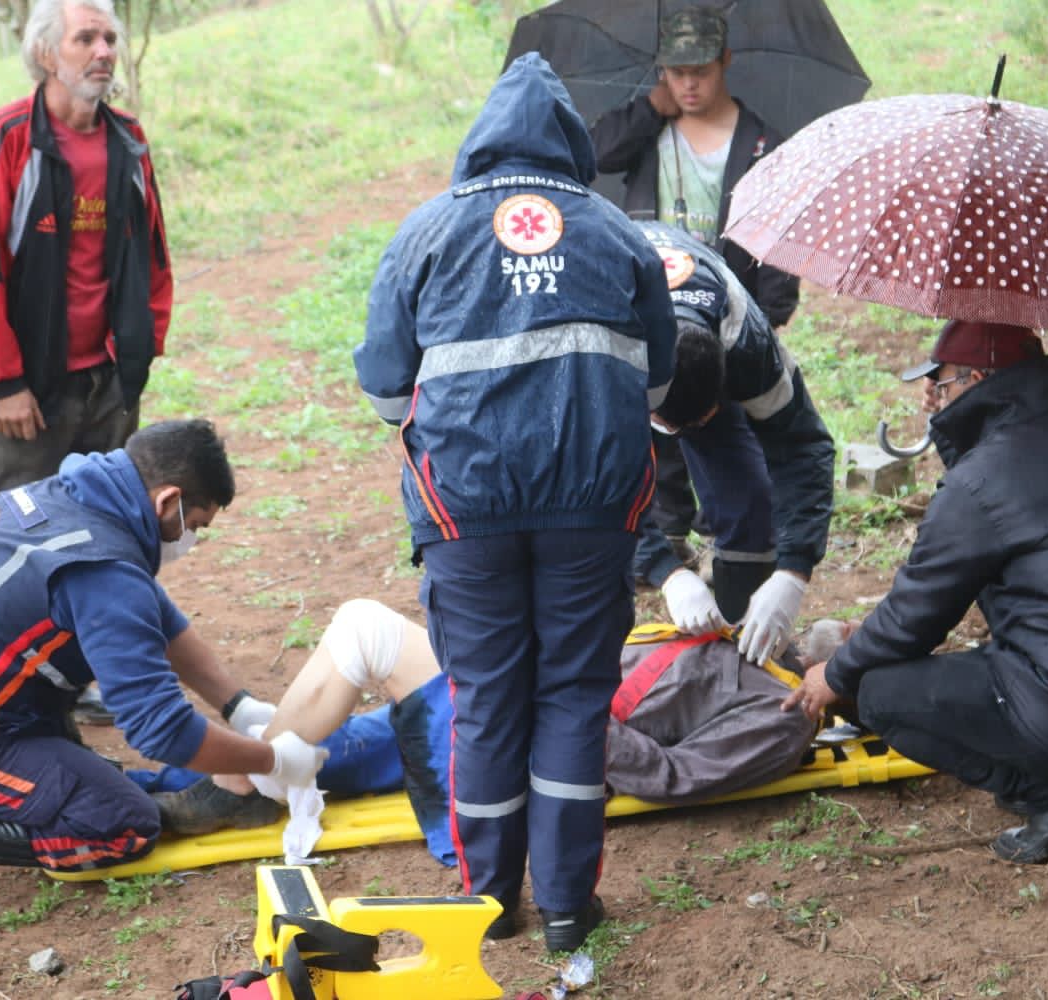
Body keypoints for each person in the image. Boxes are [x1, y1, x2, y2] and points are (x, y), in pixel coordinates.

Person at [353, 54, 676, 953]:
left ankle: (492, 903)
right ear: (572, 145)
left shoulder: (424, 234)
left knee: (488, 698)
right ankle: (570, 906)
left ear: (480, 143)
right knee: (574, 697)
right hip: (594, 506)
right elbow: (658, 384)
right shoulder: (616, 232)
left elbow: (384, 391)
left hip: (466, 513)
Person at [0, 420, 326, 924]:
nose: (191, 539)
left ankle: (51, 784)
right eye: (195, 524)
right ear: (166, 501)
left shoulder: (77, 497)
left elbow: (158, 617)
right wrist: (272, 759)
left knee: (108, 783)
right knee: (121, 822)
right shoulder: (101, 569)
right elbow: (160, 729)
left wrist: (239, 706)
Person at [783, 321, 1048, 864]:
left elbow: (916, 617)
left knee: (880, 693)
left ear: (979, 379)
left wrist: (835, 675)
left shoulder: (982, 481)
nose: (931, 396)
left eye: (942, 384)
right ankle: (1044, 764)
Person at [147, 600, 829, 889]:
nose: (841, 630)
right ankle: (148, 794)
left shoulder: (783, 713)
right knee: (333, 746)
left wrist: (554, 704)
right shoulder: (750, 644)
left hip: (531, 738)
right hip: (516, 696)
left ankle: (241, 786)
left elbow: (674, 776)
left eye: (854, 648)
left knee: (365, 631)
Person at [590, 6, 802, 571]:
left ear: (724, 62)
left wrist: (767, 314)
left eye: (700, 70)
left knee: (721, 423)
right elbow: (593, 155)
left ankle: (728, 538)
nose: (687, 83)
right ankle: (667, 533)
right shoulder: (646, 128)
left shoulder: (760, 144)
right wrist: (648, 111)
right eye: (675, 70)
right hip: (648, 305)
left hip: (724, 316)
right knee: (657, 427)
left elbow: (778, 235)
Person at [0, 0, 172, 507]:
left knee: (107, 523)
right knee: (8, 529)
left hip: (110, 382)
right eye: (86, 39)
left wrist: (141, 347)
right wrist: (3, 383)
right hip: (31, 390)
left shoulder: (127, 137)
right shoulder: (4, 137)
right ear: (47, 54)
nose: (104, 51)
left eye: (110, 39)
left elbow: (152, 249)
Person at [634, 221, 834, 666]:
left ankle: (742, 647)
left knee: (746, 495)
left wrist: (793, 572)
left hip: (700, 340)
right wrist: (666, 573)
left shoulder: (747, 342)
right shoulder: (600, 352)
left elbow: (803, 449)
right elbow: (587, 483)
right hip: (620, 351)